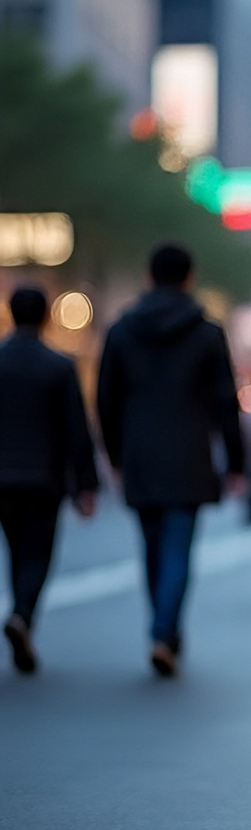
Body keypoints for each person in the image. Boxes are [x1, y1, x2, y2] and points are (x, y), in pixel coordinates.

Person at [97, 245, 244, 677]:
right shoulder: (206, 333)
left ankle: (162, 629)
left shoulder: (121, 331)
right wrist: (237, 463)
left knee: (152, 547)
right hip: (189, 455)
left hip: (139, 453)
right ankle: (165, 632)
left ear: (149, 275)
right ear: (189, 277)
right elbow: (225, 403)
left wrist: (113, 454)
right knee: (178, 547)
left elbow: (106, 399)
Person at [0, 287, 99, 674]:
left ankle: (20, 612)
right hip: (44, 477)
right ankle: (23, 614)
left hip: (3, 477)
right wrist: (86, 483)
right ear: (45, 317)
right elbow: (76, 428)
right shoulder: (58, 366)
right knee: (37, 552)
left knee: (15, 548)